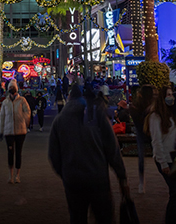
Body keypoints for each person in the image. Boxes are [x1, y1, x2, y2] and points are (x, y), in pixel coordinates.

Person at [49, 84, 130, 224]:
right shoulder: (96, 115)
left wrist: (65, 173)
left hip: (73, 179)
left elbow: (53, 154)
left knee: (77, 217)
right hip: (97, 177)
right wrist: (121, 176)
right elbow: (112, 148)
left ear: (69, 97)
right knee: (104, 217)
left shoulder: (59, 120)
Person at [148, 85, 176, 224]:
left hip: (174, 157)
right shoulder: (155, 116)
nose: (171, 98)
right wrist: (163, 163)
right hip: (165, 159)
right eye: (168, 95)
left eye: (171, 95)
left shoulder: (172, 113)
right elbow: (156, 141)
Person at [0, 80, 31, 184]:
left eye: (12, 87)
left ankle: (17, 175)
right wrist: (1, 131)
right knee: (10, 152)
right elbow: (2, 117)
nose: (11, 89)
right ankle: (10, 175)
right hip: (8, 131)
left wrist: (23, 119)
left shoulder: (22, 100)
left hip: (20, 131)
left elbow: (28, 112)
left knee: (18, 153)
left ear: (16, 89)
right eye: (10, 88)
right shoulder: (5, 102)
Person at [129, 86, 151, 194]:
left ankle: (142, 182)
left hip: (146, 132)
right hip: (143, 132)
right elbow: (138, 122)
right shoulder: (136, 107)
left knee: (143, 156)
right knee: (141, 157)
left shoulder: (150, 105)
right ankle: (142, 181)